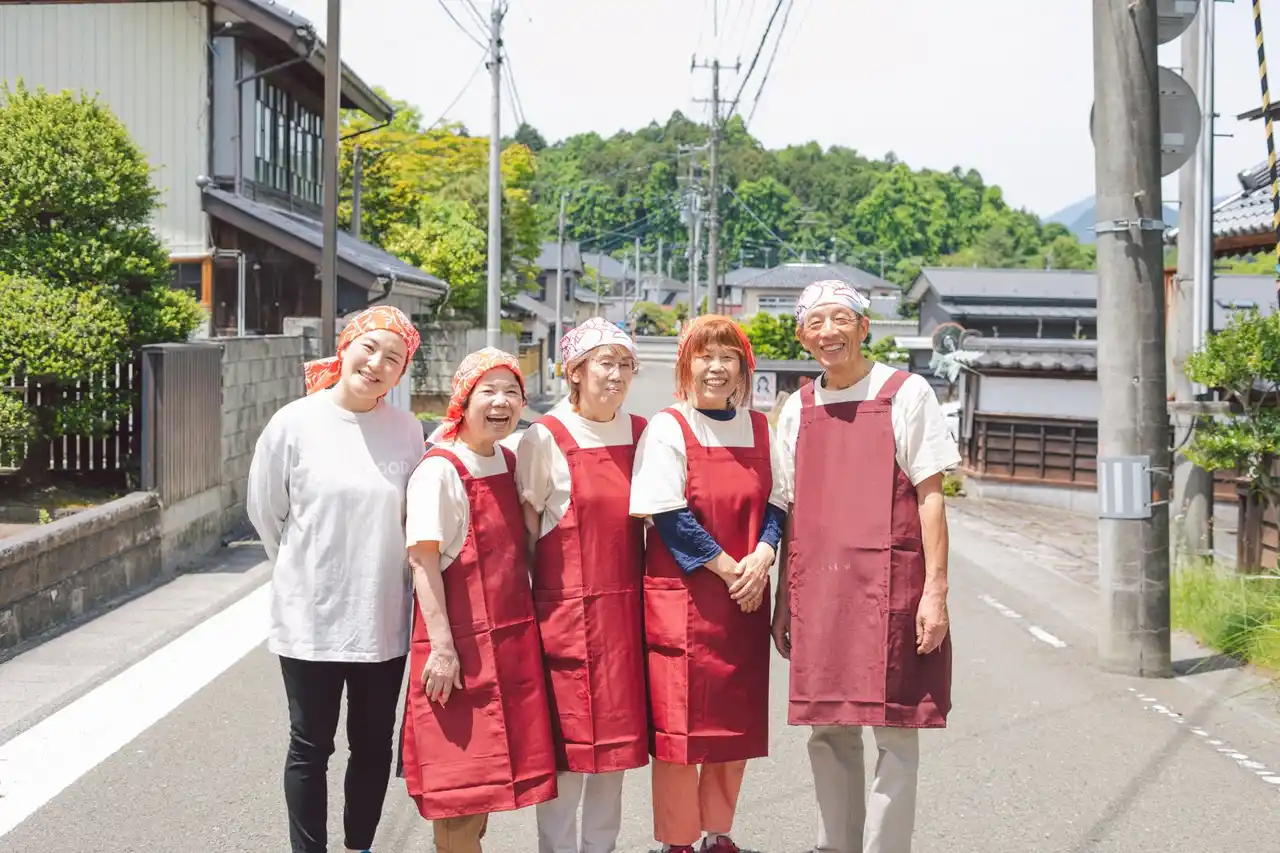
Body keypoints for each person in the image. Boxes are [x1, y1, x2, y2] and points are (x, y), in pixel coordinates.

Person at [773, 281, 959, 853]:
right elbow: (788, 505)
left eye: (839, 320)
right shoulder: (797, 408)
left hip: (894, 585)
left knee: (897, 731)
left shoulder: (906, 392)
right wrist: (784, 599)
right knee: (828, 730)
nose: (828, 333)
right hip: (819, 590)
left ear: (863, 326)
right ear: (804, 337)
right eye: (815, 324)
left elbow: (931, 495)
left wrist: (936, 592)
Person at [246, 305, 425, 853]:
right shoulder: (294, 422)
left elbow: (411, 520)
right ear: (345, 347)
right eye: (368, 349)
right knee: (310, 745)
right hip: (311, 618)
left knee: (371, 746)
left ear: (401, 373)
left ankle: (359, 846)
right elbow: (266, 511)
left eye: (392, 358)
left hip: (383, 616)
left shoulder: (407, 430)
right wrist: (308, 571)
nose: (377, 364)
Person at [630, 315, 789, 853]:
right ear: (686, 365)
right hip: (687, 599)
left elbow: (777, 502)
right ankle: (678, 840)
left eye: (728, 357)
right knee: (678, 733)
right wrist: (732, 569)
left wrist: (764, 555)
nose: (717, 367)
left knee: (732, 725)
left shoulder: (761, 428)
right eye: (705, 356)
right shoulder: (669, 427)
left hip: (743, 599)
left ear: (744, 369)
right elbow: (668, 514)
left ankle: (718, 831)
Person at [401, 347, 558, 853]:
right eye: (487, 391)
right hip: (459, 651)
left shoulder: (507, 461)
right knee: (461, 792)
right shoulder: (440, 469)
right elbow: (424, 563)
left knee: (490, 786)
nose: (501, 402)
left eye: (511, 392)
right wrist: (443, 650)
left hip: (508, 644)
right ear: (463, 400)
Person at [516, 317, 649, 853]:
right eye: (604, 363)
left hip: (626, 612)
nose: (615, 375)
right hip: (565, 614)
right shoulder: (546, 436)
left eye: (625, 364)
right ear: (574, 372)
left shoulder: (642, 432)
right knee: (568, 748)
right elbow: (528, 536)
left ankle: (602, 847)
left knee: (615, 750)